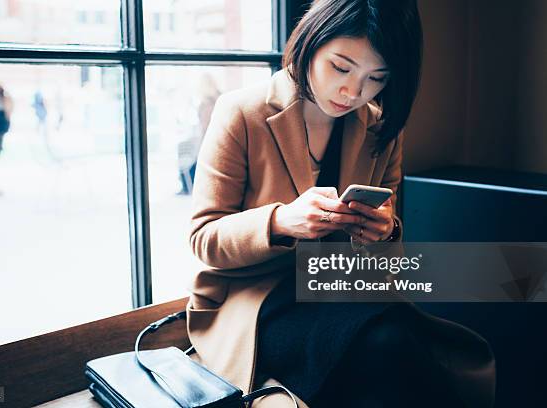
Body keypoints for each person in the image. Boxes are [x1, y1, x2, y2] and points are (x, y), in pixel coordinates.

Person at [185, 1, 495, 407]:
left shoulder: (380, 128)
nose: (354, 91)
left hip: (340, 287)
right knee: (393, 344)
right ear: (311, 41)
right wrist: (281, 222)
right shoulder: (243, 112)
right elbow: (203, 238)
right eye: (341, 67)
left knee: (396, 346)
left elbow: (384, 265)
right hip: (254, 300)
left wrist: (384, 233)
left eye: (376, 78)